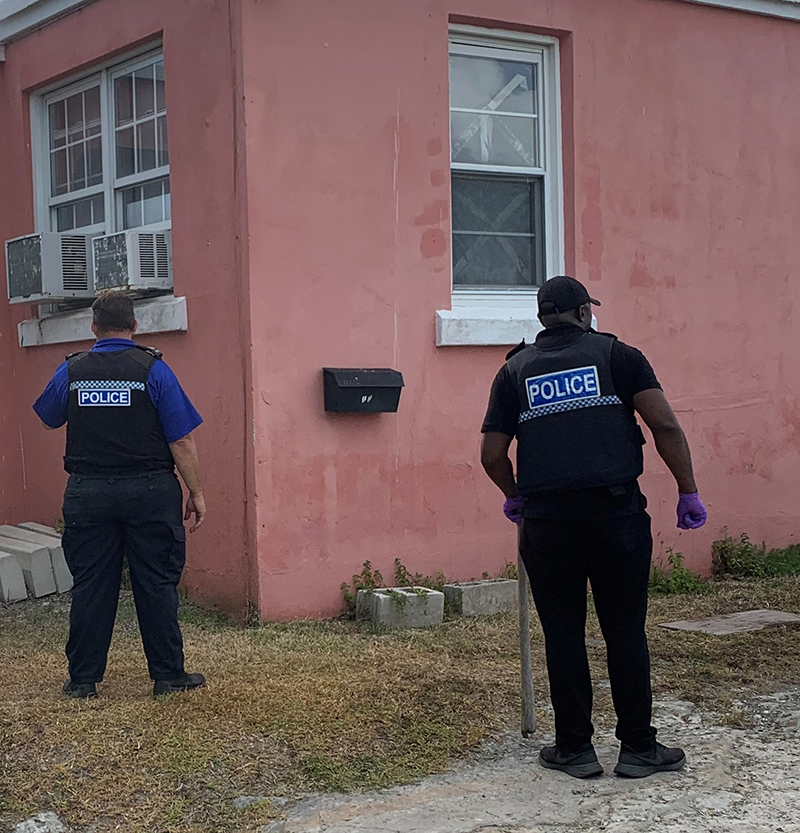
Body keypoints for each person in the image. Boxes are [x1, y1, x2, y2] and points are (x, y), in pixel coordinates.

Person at [481, 275, 707, 779]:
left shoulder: (514, 371)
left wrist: (514, 496)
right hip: (616, 516)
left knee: (563, 632)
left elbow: (492, 454)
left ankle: (575, 750)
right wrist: (687, 490)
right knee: (624, 629)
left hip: (548, 523)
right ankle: (639, 748)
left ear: (542, 317)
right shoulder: (619, 357)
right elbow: (665, 425)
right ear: (584, 313)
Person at [33, 292, 207, 699]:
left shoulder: (73, 370)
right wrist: (196, 492)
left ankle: (83, 680)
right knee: (156, 583)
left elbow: (47, 418)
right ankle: (168, 676)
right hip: (150, 492)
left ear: (93, 327)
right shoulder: (154, 370)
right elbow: (181, 440)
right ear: (134, 325)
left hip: (88, 493)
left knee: (92, 584)